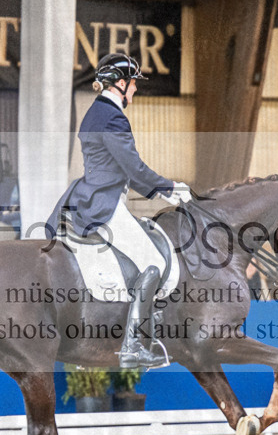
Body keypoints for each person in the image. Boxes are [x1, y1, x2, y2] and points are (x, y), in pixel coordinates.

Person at [50, 53, 192, 369]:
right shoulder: (112, 117)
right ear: (121, 83)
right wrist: (170, 189)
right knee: (154, 262)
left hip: (92, 195)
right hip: (105, 203)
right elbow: (134, 167)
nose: (135, 91)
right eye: (133, 85)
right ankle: (133, 347)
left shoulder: (95, 112)